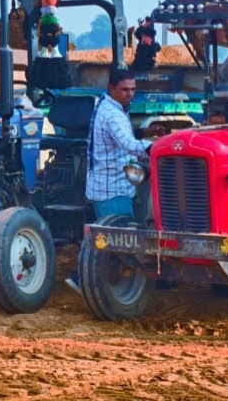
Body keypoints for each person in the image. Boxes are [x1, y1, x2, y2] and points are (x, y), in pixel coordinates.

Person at [65, 68, 152, 293]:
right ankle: (85, 280)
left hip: (106, 184)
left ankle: (82, 278)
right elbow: (128, 143)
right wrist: (155, 146)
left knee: (106, 240)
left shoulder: (109, 106)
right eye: (124, 90)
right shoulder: (112, 114)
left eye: (133, 89)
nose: (129, 94)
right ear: (111, 88)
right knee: (119, 242)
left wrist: (143, 136)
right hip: (111, 188)